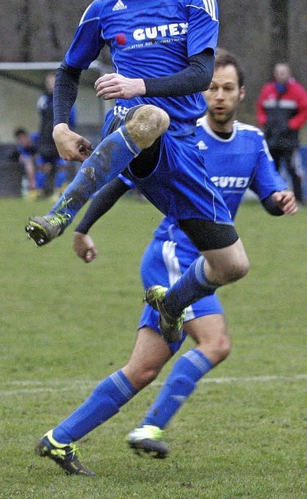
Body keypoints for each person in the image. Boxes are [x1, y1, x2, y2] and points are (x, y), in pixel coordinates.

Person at [35, 50, 297, 475]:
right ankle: (150, 427)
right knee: (215, 343)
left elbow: (268, 194)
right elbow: (118, 179)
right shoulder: (179, 135)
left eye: (228, 89)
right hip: (175, 255)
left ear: (242, 94)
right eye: (212, 87)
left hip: (205, 263)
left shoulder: (251, 141)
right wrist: (83, 227)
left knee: (143, 368)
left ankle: (59, 438)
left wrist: (279, 200)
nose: (219, 96)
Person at [25, 0, 250, 348]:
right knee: (151, 116)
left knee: (231, 266)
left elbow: (201, 75)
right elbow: (70, 70)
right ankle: (60, 212)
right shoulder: (106, 7)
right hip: (132, 124)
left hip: (183, 146)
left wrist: (137, 82)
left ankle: (171, 303)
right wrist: (59, 127)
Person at [256, 62, 307, 205]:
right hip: (271, 138)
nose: (281, 75)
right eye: (278, 72)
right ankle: (272, 200)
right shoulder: (267, 90)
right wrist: (264, 121)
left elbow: (304, 111)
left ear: (289, 74)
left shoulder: (297, 91)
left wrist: (292, 125)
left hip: (289, 140)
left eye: (283, 72)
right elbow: (260, 109)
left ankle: (298, 199)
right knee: (271, 170)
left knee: (294, 170)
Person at [35, 72, 76, 198]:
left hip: (61, 138)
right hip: (46, 139)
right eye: (49, 82)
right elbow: (41, 119)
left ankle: (59, 191)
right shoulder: (43, 100)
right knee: (42, 165)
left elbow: (73, 120)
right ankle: (39, 191)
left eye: (53, 82)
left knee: (61, 165)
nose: (51, 85)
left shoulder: (66, 99)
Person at [13, 127, 39, 199]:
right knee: (28, 164)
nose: (21, 141)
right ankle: (33, 188)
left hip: (45, 157)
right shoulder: (22, 148)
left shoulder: (36, 137)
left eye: (22, 138)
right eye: (19, 139)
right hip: (35, 162)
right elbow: (25, 157)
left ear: (26, 136)